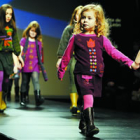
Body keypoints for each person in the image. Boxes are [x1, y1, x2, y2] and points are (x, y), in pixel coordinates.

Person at [57, 4, 140, 137]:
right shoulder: (76, 38)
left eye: (89, 18)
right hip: (81, 73)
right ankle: (90, 126)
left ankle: (83, 122)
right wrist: (61, 70)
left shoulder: (101, 39)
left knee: (88, 100)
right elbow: (67, 56)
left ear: (97, 22)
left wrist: (130, 62)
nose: (85, 20)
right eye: (83, 17)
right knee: (88, 98)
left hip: (95, 74)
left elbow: (113, 52)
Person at [56, 5, 83, 115]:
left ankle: (80, 104)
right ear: (75, 16)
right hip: (72, 58)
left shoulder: (87, 30)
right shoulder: (69, 29)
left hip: (84, 59)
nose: (80, 16)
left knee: (83, 82)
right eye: (78, 14)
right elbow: (63, 44)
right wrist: (60, 59)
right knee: (73, 79)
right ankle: (74, 104)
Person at [0, 4, 24, 113]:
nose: (8, 16)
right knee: (0, 77)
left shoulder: (12, 27)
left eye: (10, 14)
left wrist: (19, 57)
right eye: (6, 14)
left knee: (6, 80)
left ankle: (2, 99)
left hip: (8, 56)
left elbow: (15, 43)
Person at [20, 21, 45, 107]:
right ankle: (23, 98)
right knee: (25, 82)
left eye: (35, 31)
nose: (33, 32)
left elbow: (40, 55)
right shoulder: (23, 40)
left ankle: (38, 98)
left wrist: (41, 66)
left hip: (35, 65)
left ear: (37, 32)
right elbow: (20, 52)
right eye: (32, 30)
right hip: (25, 64)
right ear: (28, 30)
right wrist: (19, 62)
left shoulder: (39, 42)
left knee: (36, 80)